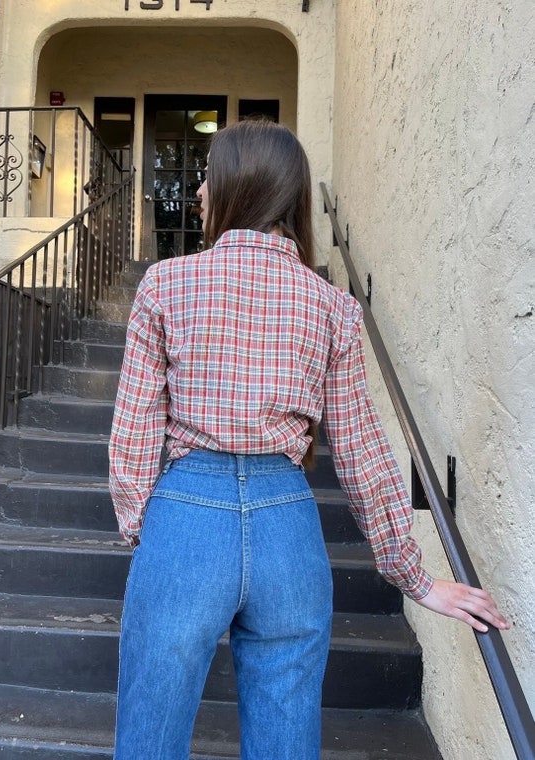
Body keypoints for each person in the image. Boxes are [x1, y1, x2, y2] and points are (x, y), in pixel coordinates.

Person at [108, 119, 509, 760]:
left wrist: (144, 528)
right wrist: (415, 576)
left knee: (149, 740)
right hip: (288, 531)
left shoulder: (165, 285)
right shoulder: (331, 306)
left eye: (207, 178)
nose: (201, 193)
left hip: (185, 519)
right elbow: (360, 448)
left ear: (237, 187)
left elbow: (132, 435)